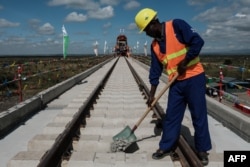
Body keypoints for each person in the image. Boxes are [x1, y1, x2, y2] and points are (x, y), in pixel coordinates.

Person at [134, 8, 212, 166]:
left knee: (199, 115)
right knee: (172, 116)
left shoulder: (177, 25)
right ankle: (166, 146)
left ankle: (202, 150)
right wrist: (152, 94)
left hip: (194, 77)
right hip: (175, 82)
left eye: (147, 30)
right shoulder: (155, 46)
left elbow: (198, 42)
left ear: (153, 23)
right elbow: (155, 71)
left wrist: (185, 62)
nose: (147, 33)